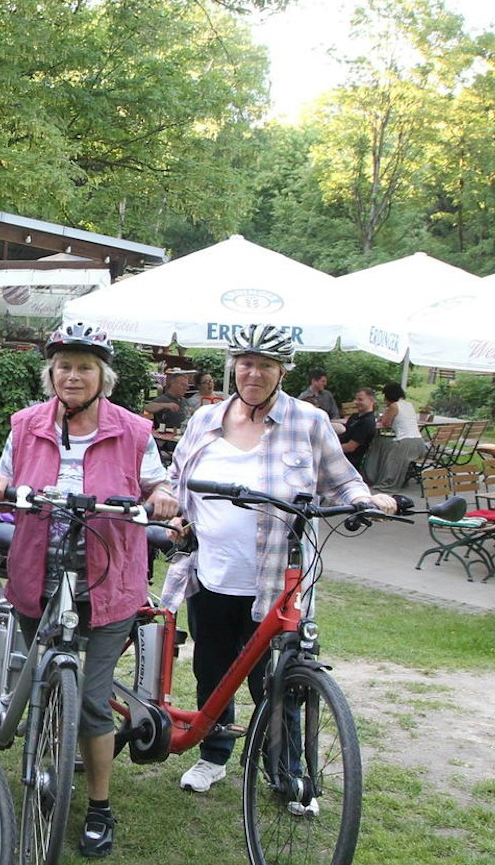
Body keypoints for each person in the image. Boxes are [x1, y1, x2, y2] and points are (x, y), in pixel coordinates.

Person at [163, 326, 396, 797]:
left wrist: (367, 499)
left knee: (279, 682)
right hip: (211, 575)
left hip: (277, 583)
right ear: (234, 366)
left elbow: (342, 479)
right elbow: (176, 479)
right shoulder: (206, 419)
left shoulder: (307, 421)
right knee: (213, 673)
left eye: (266, 365)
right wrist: (170, 510)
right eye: (246, 363)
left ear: (282, 371)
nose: (253, 373)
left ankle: (286, 772)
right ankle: (214, 756)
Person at [0, 322, 178, 857]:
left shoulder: (133, 430)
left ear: (102, 377)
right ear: (51, 374)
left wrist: (162, 496)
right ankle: (45, 763)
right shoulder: (25, 425)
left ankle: (98, 806)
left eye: (84, 367)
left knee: (92, 699)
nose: (72, 375)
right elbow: (2, 480)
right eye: (63, 366)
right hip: (37, 573)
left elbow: (158, 483)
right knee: (44, 681)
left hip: (108, 579)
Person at [364, 381, 425, 488]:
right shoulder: (409, 404)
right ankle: (374, 473)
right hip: (419, 444)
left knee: (378, 442)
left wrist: (386, 411)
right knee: (382, 442)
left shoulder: (393, 406)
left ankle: (372, 473)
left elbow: (385, 423)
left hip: (405, 444)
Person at [338, 385, 381, 473]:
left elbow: (351, 447)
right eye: (356, 399)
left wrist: (328, 449)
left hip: (347, 461)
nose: (356, 402)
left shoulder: (367, 422)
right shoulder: (355, 416)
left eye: (360, 399)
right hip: (339, 454)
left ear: (371, 400)